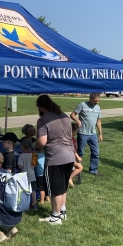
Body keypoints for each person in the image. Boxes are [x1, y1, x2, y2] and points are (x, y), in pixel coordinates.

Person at [36, 95, 75, 225]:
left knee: (55, 189)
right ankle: (62, 211)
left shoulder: (43, 120)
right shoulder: (64, 116)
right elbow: (70, 136)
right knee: (63, 187)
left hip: (55, 157)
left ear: (40, 107)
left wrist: (36, 147)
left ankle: (55, 216)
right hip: (70, 155)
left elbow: (42, 142)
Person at [70, 93, 103, 176]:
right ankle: (77, 170)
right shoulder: (82, 105)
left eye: (98, 101)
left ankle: (93, 170)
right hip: (82, 133)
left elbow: (98, 121)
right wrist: (77, 120)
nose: (97, 102)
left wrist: (100, 134)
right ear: (90, 99)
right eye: (95, 101)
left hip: (93, 134)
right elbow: (72, 115)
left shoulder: (98, 107)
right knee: (80, 153)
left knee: (96, 153)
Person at [17, 138, 38, 210]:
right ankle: (34, 204)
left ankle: (26, 203)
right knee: (33, 190)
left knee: (25, 190)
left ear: (22, 146)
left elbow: (20, 166)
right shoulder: (34, 154)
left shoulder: (21, 156)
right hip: (32, 175)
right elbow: (35, 165)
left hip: (24, 176)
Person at [69, 123, 84, 188]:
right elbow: (72, 149)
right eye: (76, 131)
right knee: (80, 167)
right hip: (70, 157)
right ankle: (70, 178)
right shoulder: (70, 139)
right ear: (73, 131)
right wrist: (77, 157)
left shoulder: (73, 139)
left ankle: (70, 178)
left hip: (72, 157)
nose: (77, 132)